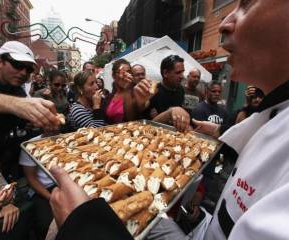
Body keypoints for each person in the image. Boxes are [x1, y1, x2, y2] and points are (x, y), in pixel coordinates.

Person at [48, 1, 289, 240]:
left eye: (246, 4)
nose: (225, 23)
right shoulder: (272, 117)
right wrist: (219, 130)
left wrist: (84, 228)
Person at [0, 41, 60, 181]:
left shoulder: (18, 90)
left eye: (28, 69)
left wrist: (42, 125)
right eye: (18, 65)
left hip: (7, 161)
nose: (23, 72)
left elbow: (24, 123)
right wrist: (17, 105)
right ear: (0, 61)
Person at [134, 55, 190, 132]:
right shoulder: (152, 90)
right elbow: (148, 125)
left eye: (182, 72)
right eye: (178, 73)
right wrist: (169, 113)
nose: (182, 76)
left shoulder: (181, 90)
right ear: (165, 73)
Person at [103, 58, 135, 124]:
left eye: (128, 72)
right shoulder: (109, 97)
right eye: (121, 72)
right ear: (113, 76)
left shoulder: (136, 93)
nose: (125, 75)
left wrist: (127, 88)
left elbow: (133, 118)